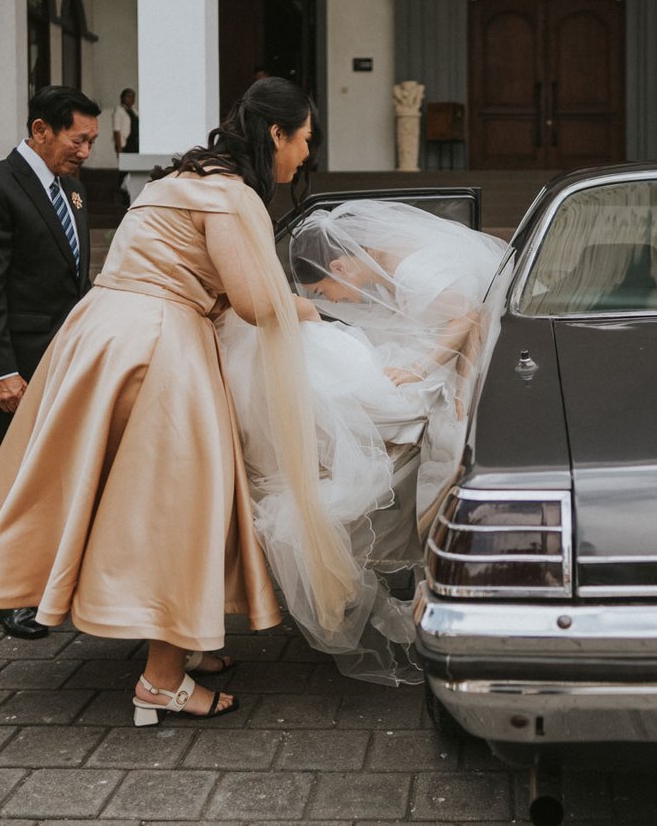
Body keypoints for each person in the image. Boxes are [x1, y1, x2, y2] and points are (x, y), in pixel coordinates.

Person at [0, 77, 356, 725]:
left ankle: (179, 639)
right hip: (159, 345)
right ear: (276, 134)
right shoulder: (230, 196)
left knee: (127, 499)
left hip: (97, 336)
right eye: (305, 139)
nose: (307, 153)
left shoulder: (174, 180)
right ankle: (162, 681)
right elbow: (255, 302)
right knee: (184, 503)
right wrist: (315, 311)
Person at [217, 200, 508, 683]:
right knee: (331, 370)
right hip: (421, 355)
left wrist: (424, 372)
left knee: (334, 381)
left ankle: (316, 467)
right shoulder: (391, 263)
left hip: (434, 366)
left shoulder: (412, 269)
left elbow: (470, 319)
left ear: (340, 267)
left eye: (322, 291)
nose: (331, 300)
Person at [0, 85, 101, 640]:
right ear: (41, 130)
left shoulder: (74, 190)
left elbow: (74, 281)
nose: (85, 151)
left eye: (91, 141)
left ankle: (50, 581)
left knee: (52, 478)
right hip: (13, 370)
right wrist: (1, 371)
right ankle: (10, 596)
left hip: (63, 362)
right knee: (9, 481)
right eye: (77, 139)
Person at [109, 88, 139, 155]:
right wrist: (119, 150)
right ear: (122, 98)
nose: (131, 99)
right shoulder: (118, 112)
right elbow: (116, 131)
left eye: (133, 97)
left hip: (135, 144)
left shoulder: (134, 111)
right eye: (128, 96)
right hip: (125, 145)